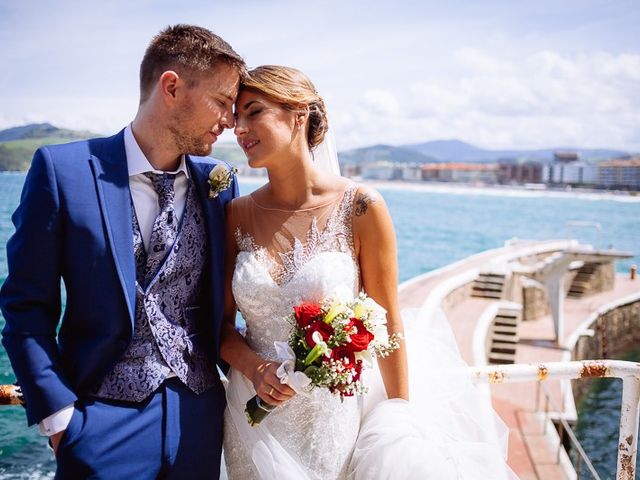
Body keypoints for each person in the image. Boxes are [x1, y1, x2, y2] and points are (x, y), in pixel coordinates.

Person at [220, 65, 518, 479]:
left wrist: (402, 419)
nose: (239, 128)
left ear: (299, 114)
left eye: (253, 112)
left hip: (331, 420)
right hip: (252, 419)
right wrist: (255, 369)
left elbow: (387, 320)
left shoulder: (361, 207)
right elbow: (219, 327)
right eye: (236, 117)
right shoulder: (235, 214)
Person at [0, 25, 244, 479]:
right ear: (171, 87)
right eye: (222, 101)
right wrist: (60, 420)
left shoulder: (221, 183)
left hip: (201, 419)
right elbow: (24, 304)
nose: (230, 120)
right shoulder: (63, 170)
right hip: (99, 423)